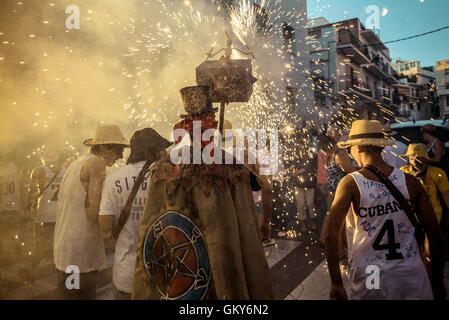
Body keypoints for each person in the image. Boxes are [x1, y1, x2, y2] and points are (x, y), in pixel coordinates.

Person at [132, 85, 273, 300]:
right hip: (201, 265)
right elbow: (246, 227)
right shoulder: (229, 165)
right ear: (209, 121)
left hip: (181, 269)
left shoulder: (162, 166)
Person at [324, 120, 446, 300]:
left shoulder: (350, 184)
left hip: (371, 274)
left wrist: (336, 282)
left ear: (357, 148)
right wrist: (437, 281)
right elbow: (435, 237)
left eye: (350, 148)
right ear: (381, 147)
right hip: (409, 274)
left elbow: (330, 235)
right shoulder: (411, 181)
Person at [54, 124, 129, 300]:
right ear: (104, 147)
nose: (121, 156)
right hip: (80, 253)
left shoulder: (76, 163)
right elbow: (94, 212)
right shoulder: (97, 163)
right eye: (119, 149)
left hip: (66, 250)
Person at [98, 128, 172, 300]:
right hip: (161, 274)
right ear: (155, 150)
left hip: (126, 275)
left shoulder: (113, 178)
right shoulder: (166, 176)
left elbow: (105, 225)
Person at [24, 150, 66, 283]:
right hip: (61, 215)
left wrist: (30, 208)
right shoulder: (65, 169)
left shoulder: (38, 171)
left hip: (44, 216)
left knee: (39, 247)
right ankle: (65, 277)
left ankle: (32, 275)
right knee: (61, 247)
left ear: (43, 157)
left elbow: (31, 194)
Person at [399, 144, 449, 226]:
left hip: (434, 216)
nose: (415, 161)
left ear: (425, 159)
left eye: (419, 158)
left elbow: (446, 195)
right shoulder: (403, 172)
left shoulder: (437, 173)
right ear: (408, 159)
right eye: (412, 158)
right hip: (411, 218)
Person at [0, 151, 26, 298]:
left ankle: (17, 250)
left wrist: (23, 196)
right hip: (3, 208)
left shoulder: (13, 167)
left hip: (15, 205)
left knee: (17, 230)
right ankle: (4, 253)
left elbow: (20, 183)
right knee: (4, 232)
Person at [292, 143, 318, 233]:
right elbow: (291, 173)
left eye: (304, 149)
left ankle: (312, 220)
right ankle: (303, 223)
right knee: (300, 204)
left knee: (310, 204)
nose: (303, 151)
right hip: (298, 186)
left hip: (310, 185)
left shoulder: (312, 158)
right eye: (300, 149)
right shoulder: (295, 160)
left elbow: (316, 170)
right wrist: (298, 171)